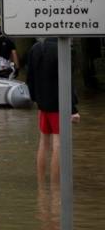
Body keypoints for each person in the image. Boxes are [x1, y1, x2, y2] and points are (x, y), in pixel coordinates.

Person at [26, 38, 80, 185]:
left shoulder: (35, 48)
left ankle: (41, 185)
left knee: (43, 142)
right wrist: (73, 109)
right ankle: (57, 188)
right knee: (59, 143)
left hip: (42, 103)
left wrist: (36, 99)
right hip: (59, 104)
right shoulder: (63, 49)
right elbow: (67, 80)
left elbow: (29, 77)